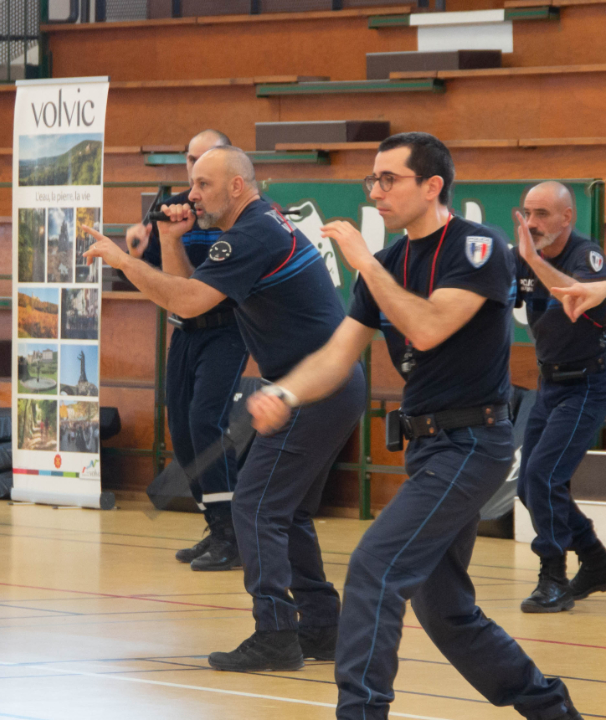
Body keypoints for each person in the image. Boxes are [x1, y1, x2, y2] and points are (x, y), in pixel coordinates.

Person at [246, 133, 581, 720]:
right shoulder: (388, 264)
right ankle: (552, 710)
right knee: (445, 609)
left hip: (472, 443)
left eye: (388, 179)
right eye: (371, 179)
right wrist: (285, 390)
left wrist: (365, 266)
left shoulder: (478, 247)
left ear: (432, 186)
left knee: (374, 567)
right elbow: (338, 354)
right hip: (427, 449)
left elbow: (426, 327)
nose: (375, 191)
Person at [83, 146, 365, 671]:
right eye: (191, 185)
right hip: (323, 384)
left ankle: (276, 635)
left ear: (237, 186)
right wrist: (170, 239)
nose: (191, 195)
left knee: (254, 505)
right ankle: (323, 628)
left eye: (203, 185)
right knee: (289, 511)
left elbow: (187, 301)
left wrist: (125, 262)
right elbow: (188, 294)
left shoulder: (252, 234)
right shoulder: (258, 223)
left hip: (313, 387)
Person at [125, 129, 248, 571]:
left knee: (205, 420)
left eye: (205, 165)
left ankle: (233, 534)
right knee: (180, 425)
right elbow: (171, 278)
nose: (194, 180)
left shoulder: (233, 212)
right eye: (190, 163)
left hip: (228, 329)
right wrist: (159, 238)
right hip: (186, 328)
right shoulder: (177, 206)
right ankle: (216, 524)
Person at [512, 182, 606, 611]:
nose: (532, 223)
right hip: (549, 384)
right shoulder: (525, 259)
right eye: (528, 213)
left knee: (543, 477)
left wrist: (532, 259)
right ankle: (594, 557)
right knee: (529, 490)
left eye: (543, 214)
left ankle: (552, 575)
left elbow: (575, 297)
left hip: (588, 384)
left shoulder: (586, 256)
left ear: (568, 217)